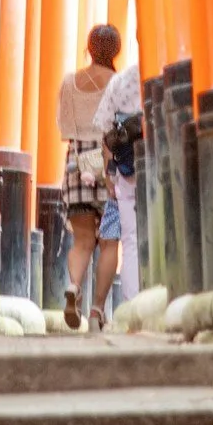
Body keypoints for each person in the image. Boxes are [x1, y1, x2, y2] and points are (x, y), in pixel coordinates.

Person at [57, 23, 120, 330]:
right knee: (109, 242)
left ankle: (73, 287)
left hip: (77, 162)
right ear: (116, 51)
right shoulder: (117, 82)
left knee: (82, 240)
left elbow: (64, 125)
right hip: (108, 163)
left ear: (89, 48)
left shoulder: (70, 82)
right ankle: (96, 311)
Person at [94, 56, 144, 306]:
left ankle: (133, 303)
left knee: (131, 239)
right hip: (164, 157)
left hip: (128, 167)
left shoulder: (121, 81)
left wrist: (107, 174)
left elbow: (105, 129)